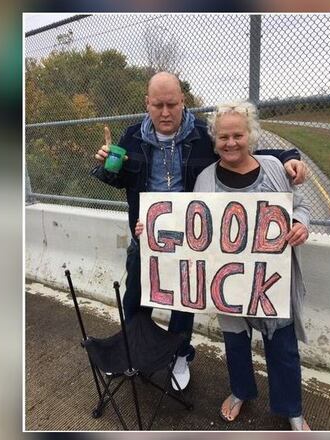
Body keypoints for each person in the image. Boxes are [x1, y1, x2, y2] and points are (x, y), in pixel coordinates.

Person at [91, 72, 308, 391]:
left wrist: (290, 157)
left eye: (172, 104)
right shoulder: (132, 136)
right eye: (157, 105)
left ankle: (179, 356)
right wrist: (104, 165)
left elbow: (244, 152)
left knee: (183, 304)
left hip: (190, 241)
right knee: (136, 298)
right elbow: (120, 178)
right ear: (146, 104)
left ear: (183, 102)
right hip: (146, 235)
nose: (165, 112)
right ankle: (133, 351)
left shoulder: (202, 137)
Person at [192, 100, 313, 430]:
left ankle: (292, 408)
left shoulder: (275, 168)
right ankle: (240, 391)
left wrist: (300, 224)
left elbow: (300, 207)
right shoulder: (204, 179)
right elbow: (192, 229)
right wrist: (153, 228)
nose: (230, 143)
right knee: (234, 342)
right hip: (227, 280)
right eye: (223, 137)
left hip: (273, 280)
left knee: (283, 346)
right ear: (214, 140)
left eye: (237, 135)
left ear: (251, 136)